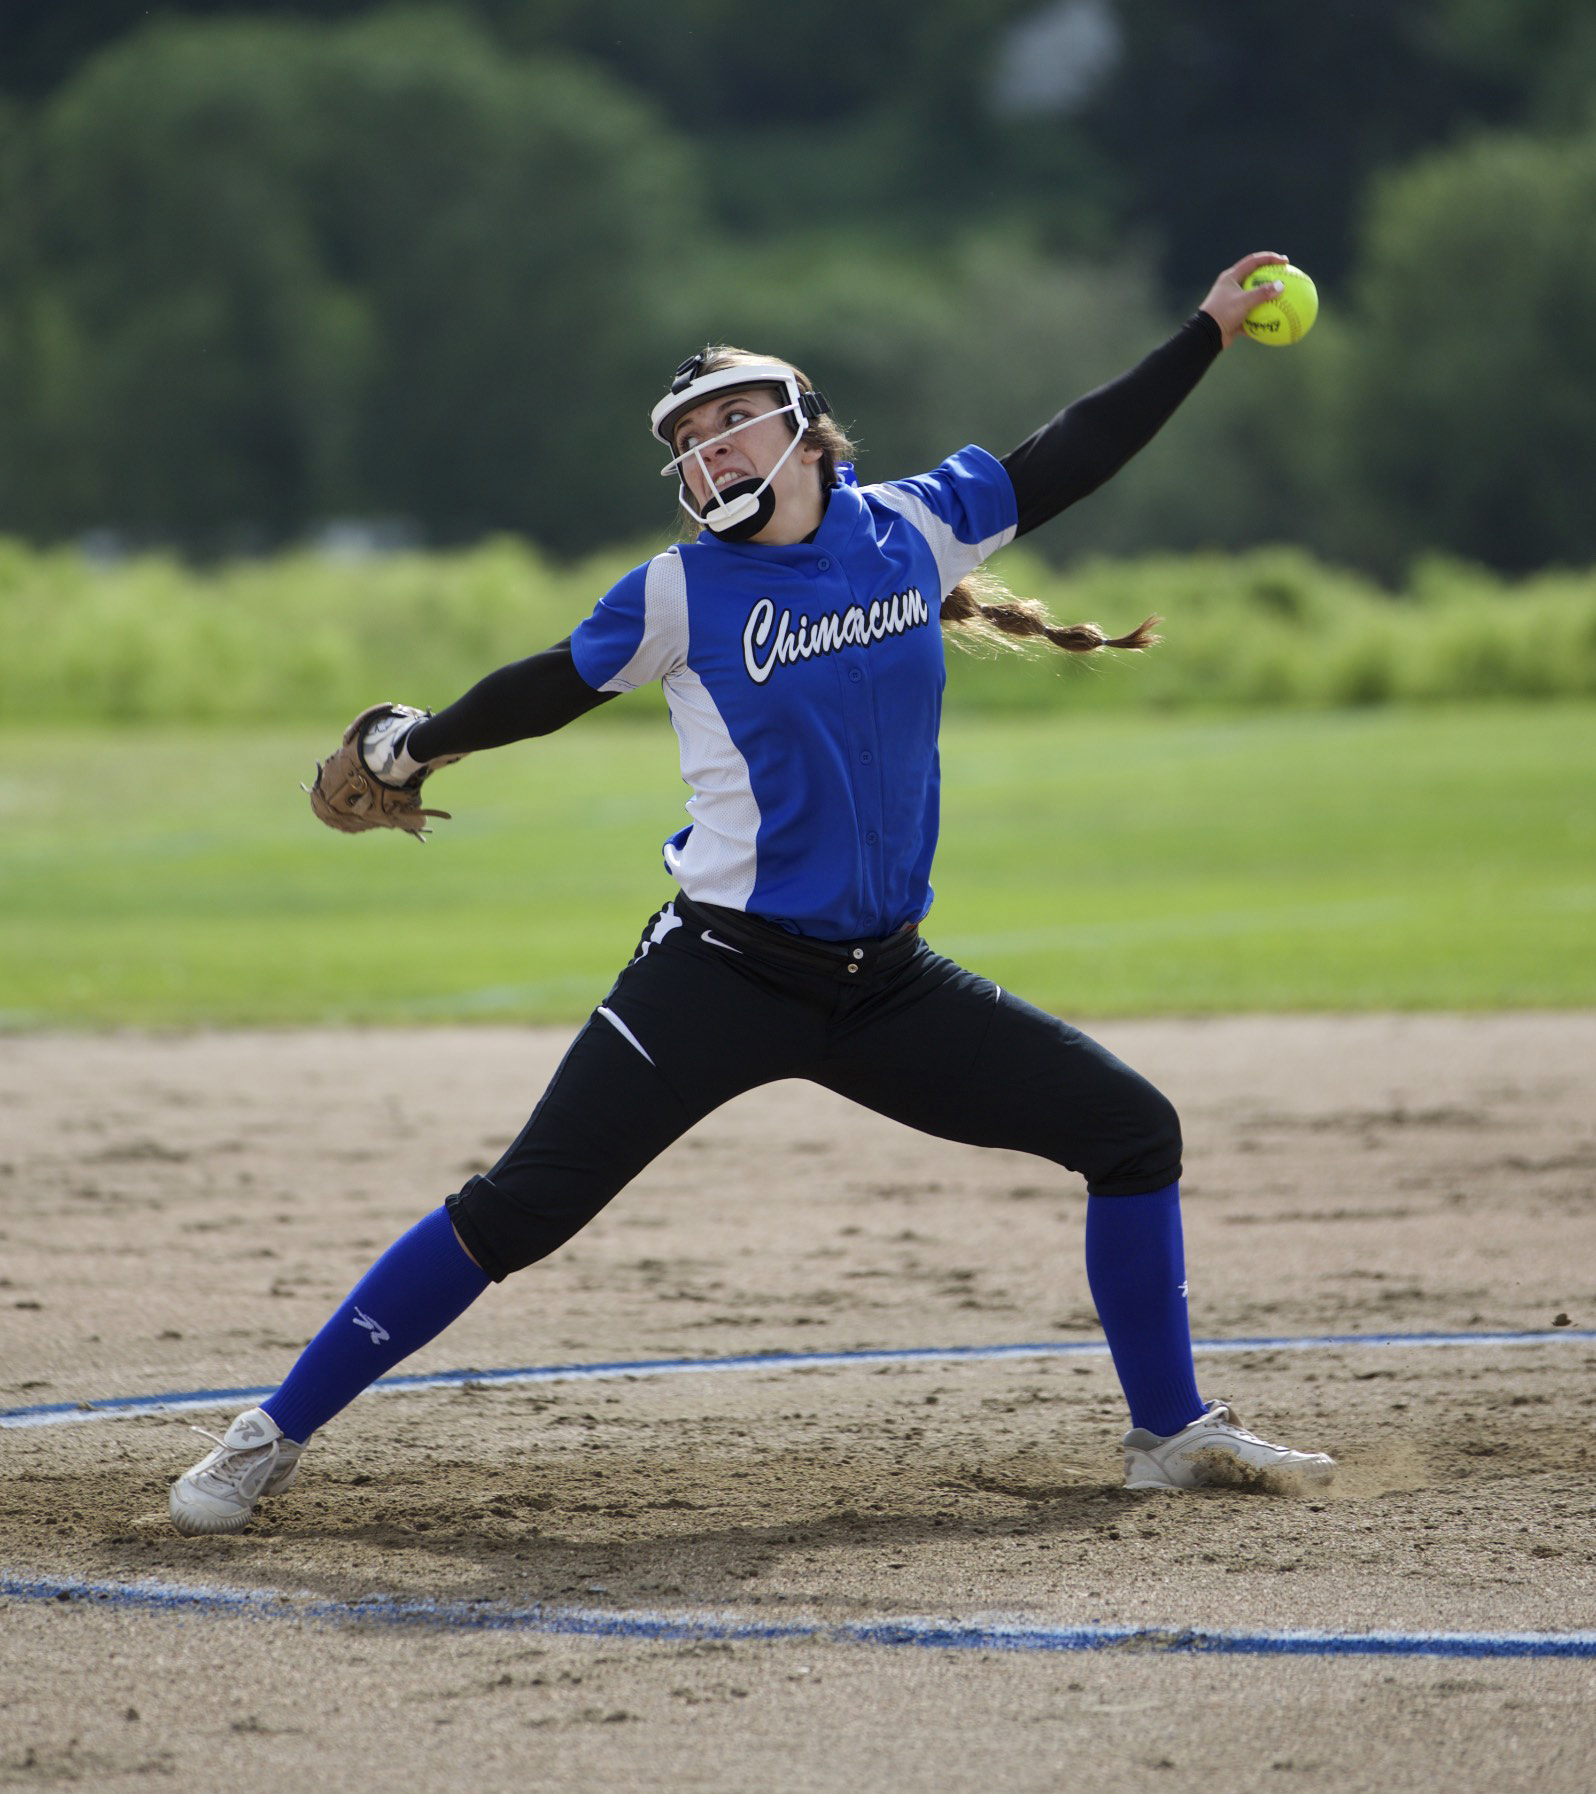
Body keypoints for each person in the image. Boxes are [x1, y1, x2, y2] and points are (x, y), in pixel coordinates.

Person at [169, 250, 1334, 1535]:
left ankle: (1168, 1434)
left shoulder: (914, 527)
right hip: (716, 977)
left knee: (1131, 1132)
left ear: (804, 428)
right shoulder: (679, 589)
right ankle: (267, 1434)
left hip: (882, 985)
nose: (710, 451)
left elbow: (1072, 450)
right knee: (519, 1210)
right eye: (689, 440)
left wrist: (1208, 333)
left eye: (732, 420)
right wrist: (415, 742)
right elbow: (550, 684)